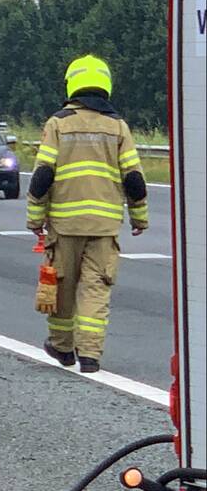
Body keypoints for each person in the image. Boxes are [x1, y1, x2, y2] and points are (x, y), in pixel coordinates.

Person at [26, 54, 149, 373]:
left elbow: (42, 176)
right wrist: (139, 218)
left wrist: (35, 220)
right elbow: (134, 179)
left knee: (62, 288)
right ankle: (91, 355)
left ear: (73, 84)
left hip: (65, 225)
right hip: (104, 227)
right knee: (96, 289)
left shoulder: (58, 123)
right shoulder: (118, 126)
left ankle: (63, 349)